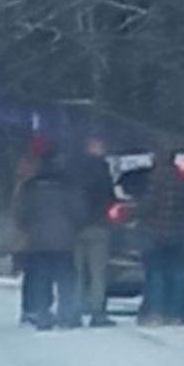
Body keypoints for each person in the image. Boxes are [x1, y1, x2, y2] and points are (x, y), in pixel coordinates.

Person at [14, 145, 85, 330]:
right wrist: (74, 228)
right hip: (65, 241)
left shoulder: (31, 186)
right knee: (66, 279)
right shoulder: (69, 185)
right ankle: (67, 315)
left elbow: (21, 213)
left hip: (38, 241)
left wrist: (29, 229)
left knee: (40, 279)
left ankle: (42, 315)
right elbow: (78, 211)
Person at [138, 149, 184, 326]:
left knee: (155, 275)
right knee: (176, 274)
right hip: (178, 235)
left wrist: (136, 214)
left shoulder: (156, 180)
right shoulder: (182, 181)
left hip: (155, 234)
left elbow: (148, 206)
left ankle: (156, 313)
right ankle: (175, 313)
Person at [75, 136, 116, 328]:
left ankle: (73, 311)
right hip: (99, 226)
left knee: (76, 271)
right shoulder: (103, 170)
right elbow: (110, 198)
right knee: (98, 273)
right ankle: (97, 312)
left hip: (76, 227)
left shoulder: (75, 169)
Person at [11, 134, 51, 322]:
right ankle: (35, 307)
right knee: (38, 271)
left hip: (31, 231)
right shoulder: (36, 175)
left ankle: (31, 308)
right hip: (35, 232)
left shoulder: (25, 173)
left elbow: (18, 206)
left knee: (33, 271)